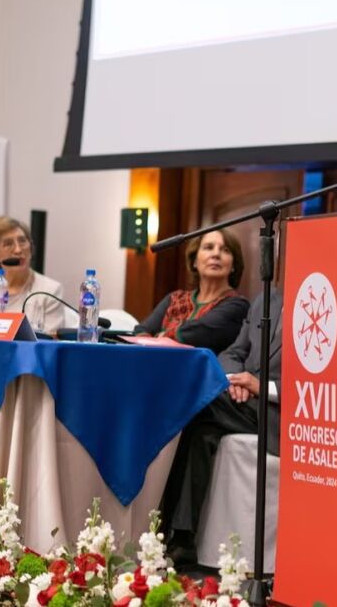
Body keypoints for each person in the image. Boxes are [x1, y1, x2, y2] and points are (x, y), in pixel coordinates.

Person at [160, 290, 283, 564]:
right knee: (201, 431)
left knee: (196, 404)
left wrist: (261, 387)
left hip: (281, 413)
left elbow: (327, 380)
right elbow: (233, 352)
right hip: (243, 401)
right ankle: (180, 536)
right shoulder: (266, 299)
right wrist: (235, 380)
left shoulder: (324, 302)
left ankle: (161, 526)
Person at [135, 229, 249, 353]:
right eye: (208, 247)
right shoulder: (174, 299)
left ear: (233, 265)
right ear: (194, 261)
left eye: (225, 250)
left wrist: (160, 338)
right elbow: (141, 331)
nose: (216, 254)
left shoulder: (237, 305)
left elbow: (197, 334)